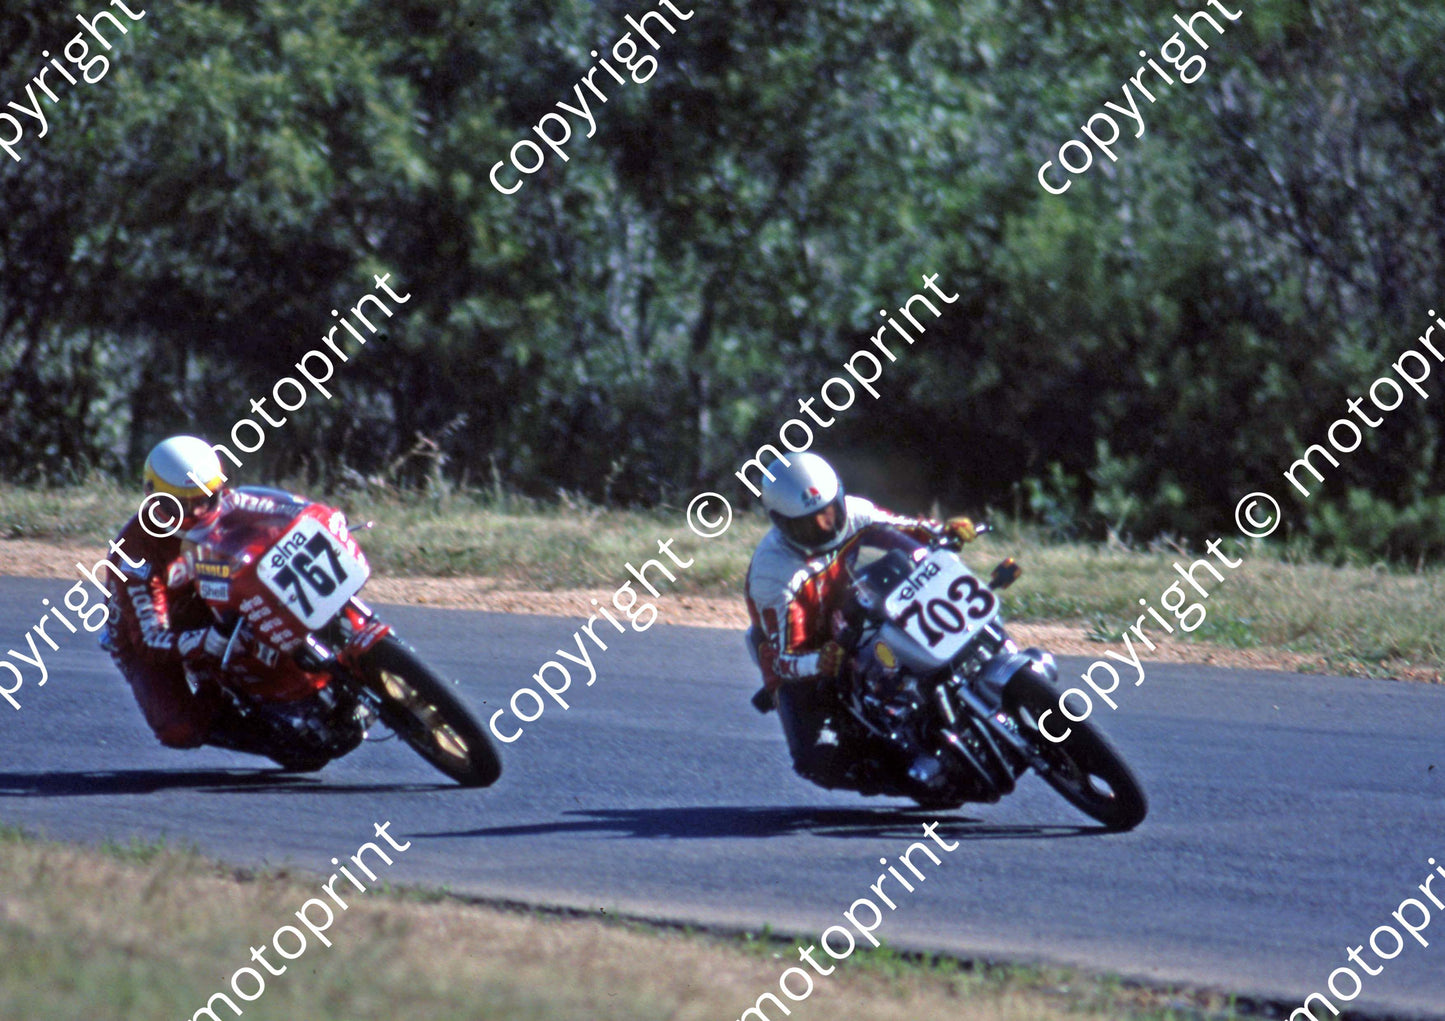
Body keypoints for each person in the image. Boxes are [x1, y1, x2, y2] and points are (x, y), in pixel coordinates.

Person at [744, 451, 977, 795]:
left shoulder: (855, 513)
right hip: (805, 646)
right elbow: (782, 659)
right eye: (809, 523)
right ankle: (903, 772)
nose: (826, 526)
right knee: (816, 757)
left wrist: (944, 531)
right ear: (781, 523)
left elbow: (904, 529)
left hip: (854, 603)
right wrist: (818, 662)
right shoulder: (773, 575)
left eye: (830, 512)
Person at [101, 435, 262, 752]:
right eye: (177, 504)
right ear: (152, 496)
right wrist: (206, 641)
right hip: (145, 638)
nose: (195, 513)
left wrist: (319, 518)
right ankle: (227, 704)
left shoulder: (229, 505)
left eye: (204, 499)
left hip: (204, 603)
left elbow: (276, 513)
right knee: (179, 730)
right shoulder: (135, 553)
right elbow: (149, 638)